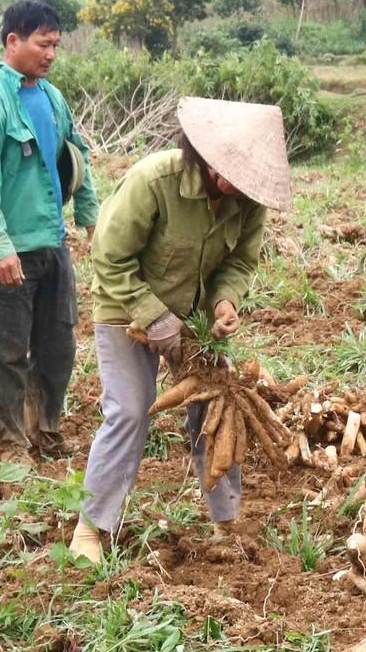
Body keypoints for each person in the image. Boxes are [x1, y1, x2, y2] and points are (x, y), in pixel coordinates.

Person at [66, 97, 291, 566]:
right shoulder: (155, 181)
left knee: (221, 406)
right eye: (231, 172)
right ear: (207, 156)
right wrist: (152, 314)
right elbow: (109, 257)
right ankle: (91, 528)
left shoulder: (247, 202)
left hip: (193, 318)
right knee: (129, 410)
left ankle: (225, 521)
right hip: (124, 306)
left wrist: (226, 301)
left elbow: (241, 262)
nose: (237, 187)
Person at [0, 0, 99, 458]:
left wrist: (89, 215)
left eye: (56, 44)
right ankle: (6, 445)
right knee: (6, 353)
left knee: (57, 348)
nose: (51, 54)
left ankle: (45, 430)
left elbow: (76, 155)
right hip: (6, 251)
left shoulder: (52, 98)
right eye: (43, 43)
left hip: (51, 244)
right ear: (12, 41)